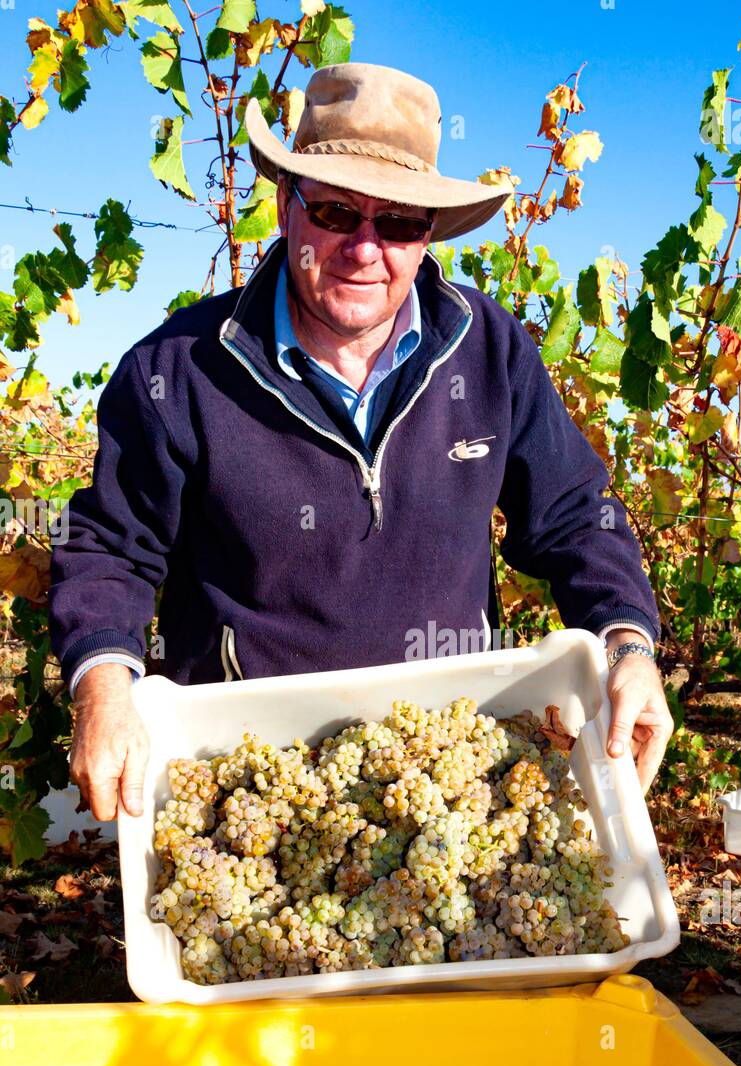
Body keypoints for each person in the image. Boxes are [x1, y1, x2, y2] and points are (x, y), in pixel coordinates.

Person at [49, 61, 672, 821]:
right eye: (338, 213)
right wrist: (102, 686)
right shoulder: (176, 370)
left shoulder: (489, 351)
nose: (366, 248)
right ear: (286, 206)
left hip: (443, 765)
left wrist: (628, 646)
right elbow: (111, 547)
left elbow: (575, 515)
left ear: (427, 236)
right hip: (243, 776)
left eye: (401, 222)